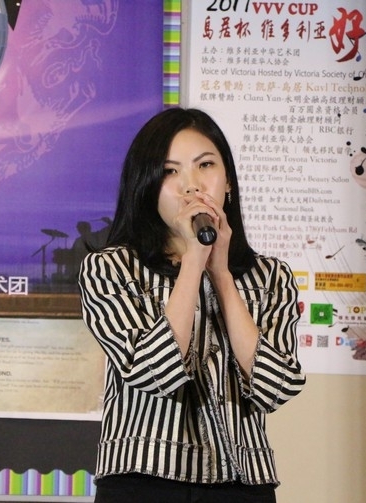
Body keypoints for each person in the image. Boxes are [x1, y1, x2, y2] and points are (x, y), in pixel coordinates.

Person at [77, 108, 306, 503]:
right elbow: (152, 372)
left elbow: (277, 386)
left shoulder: (271, 277)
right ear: (146, 186)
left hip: (243, 483)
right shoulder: (111, 268)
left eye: (206, 165)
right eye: (170, 171)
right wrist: (193, 262)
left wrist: (222, 276)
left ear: (228, 180)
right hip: (143, 479)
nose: (192, 185)